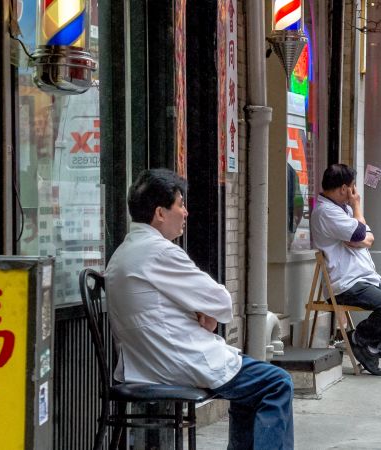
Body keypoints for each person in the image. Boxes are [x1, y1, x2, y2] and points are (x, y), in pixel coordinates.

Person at [105, 168, 294, 450]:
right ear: (160, 213)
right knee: (277, 383)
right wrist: (203, 311)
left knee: (250, 392)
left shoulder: (124, 252)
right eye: (180, 205)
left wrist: (200, 311)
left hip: (146, 362)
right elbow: (220, 300)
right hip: (175, 360)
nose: (186, 213)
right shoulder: (160, 252)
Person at [310, 163, 381, 376]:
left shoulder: (342, 209)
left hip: (366, 278)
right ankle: (360, 340)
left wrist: (360, 234)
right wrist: (357, 206)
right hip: (346, 284)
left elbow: (368, 237)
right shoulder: (326, 212)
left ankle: (370, 347)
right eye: (352, 187)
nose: (354, 192)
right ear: (343, 189)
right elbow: (361, 234)